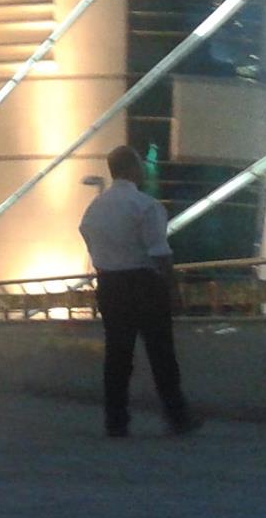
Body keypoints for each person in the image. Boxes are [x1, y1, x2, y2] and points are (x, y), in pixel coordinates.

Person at [78, 146, 198, 438]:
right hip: (144, 284)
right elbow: (159, 252)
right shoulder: (145, 205)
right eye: (140, 165)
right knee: (161, 353)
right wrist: (173, 290)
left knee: (117, 355)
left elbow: (87, 237)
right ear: (132, 168)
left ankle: (116, 421)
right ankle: (177, 417)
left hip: (109, 285)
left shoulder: (94, 209)